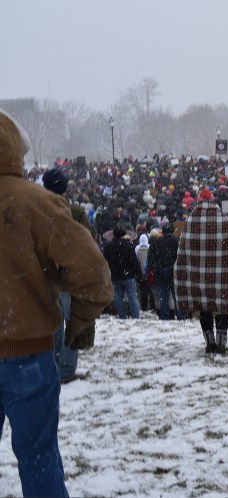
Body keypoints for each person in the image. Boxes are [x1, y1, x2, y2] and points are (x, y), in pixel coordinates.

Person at [0, 109, 113, 497]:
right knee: (39, 460)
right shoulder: (38, 203)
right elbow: (92, 272)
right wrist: (81, 320)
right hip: (28, 352)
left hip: (27, 348)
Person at [175, 189, 228, 354]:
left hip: (199, 274)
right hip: (221, 272)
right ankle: (221, 342)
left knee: (204, 307)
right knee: (222, 307)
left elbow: (183, 246)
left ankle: (209, 342)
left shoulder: (191, 220)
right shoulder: (223, 219)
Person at [41, 168, 97, 384]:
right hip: (71, 277)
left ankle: (53, 367)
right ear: (65, 189)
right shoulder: (75, 213)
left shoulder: (36, 211)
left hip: (46, 278)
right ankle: (65, 370)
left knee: (54, 325)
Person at [103, 226, 142, 319]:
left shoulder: (108, 246)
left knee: (117, 296)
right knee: (132, 296)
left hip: (115, 276)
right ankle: (135, 316)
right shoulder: (128, 245)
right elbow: (134, 261)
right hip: (128, 275)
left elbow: (105, 261)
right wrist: (138, 272)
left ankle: (122, 316)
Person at [147, 224, 184, 320]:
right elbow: (182, 258)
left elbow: (150, 259)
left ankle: (164, 316)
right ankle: (181, 316)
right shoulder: (178, 242)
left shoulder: (156, 242)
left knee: (163, 296)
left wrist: (159, 268)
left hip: (161, 274)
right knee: (177, 296)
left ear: (162, 232)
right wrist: (173, 268)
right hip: (175, 274)